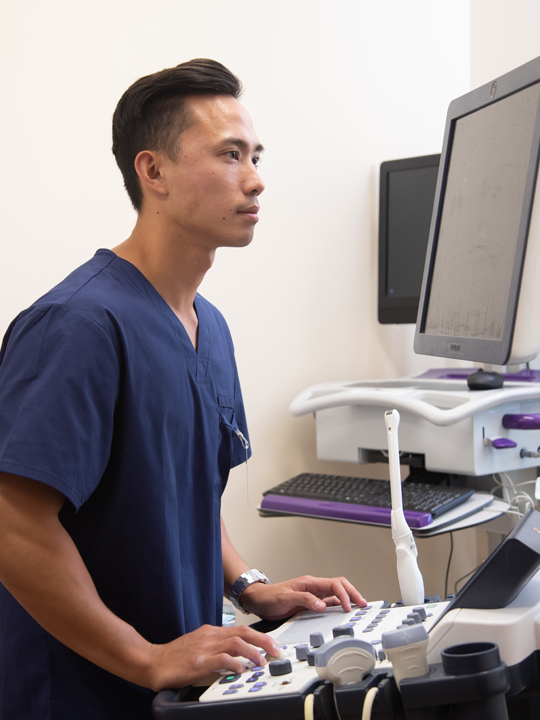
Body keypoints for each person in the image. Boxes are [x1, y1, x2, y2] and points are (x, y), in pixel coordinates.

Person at [0, 59, 365, 719]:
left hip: (180, 690)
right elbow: (12, 521)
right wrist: (147, 657)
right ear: (154, 172)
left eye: (255, 155)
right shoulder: (78, 326)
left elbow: (185, 490)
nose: (255, 180)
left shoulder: (209, 328)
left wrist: (250, 587)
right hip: (83, 694)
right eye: (230, 156)